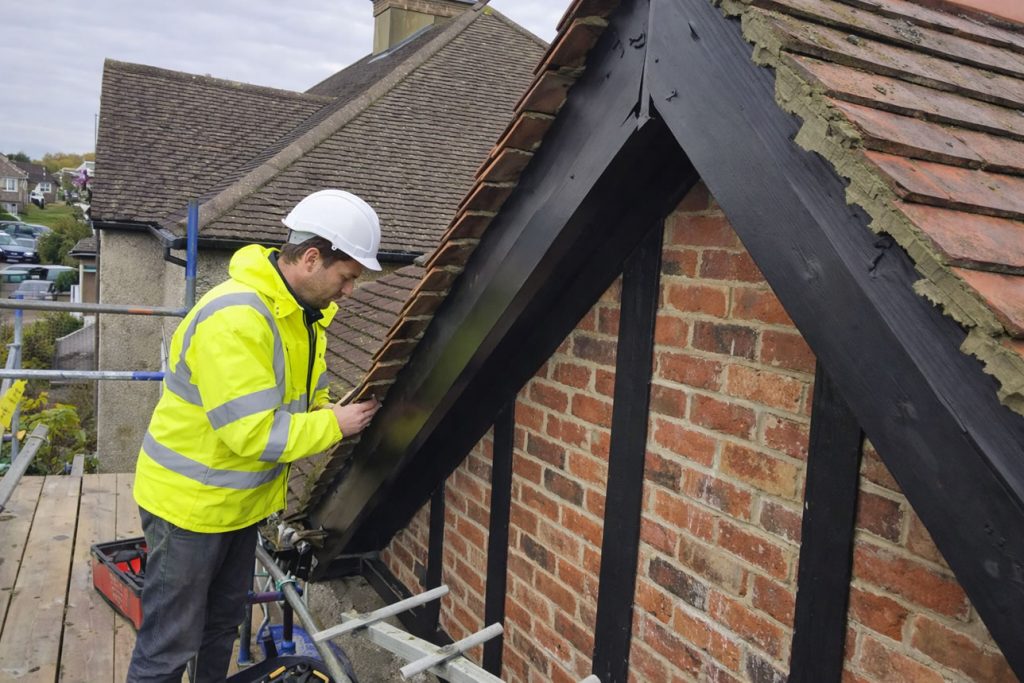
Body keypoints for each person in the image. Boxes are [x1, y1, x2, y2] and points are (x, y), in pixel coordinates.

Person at [127, 189, 383, 682]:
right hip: (189, 507)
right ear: (311, 258)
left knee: (220, 626)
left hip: (238, 508)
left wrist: (334, 411)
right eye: (347, 277)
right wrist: (337, 425)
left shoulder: (303, 320)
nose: (349, 292)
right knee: (169, 643)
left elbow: (312, 399)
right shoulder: (239, 318)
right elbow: (251, 432)